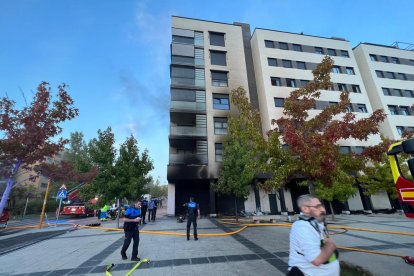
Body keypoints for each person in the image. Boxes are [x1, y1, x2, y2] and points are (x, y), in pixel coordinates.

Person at [288, 194, 339, 276]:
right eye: (317, 206)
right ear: (305, 209)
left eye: (321, 205)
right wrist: (331, 244)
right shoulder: (302, 227)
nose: (322, 209)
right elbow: (316, 260)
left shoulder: (315, 222)